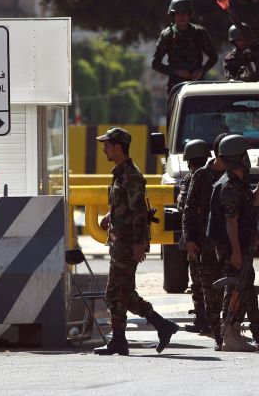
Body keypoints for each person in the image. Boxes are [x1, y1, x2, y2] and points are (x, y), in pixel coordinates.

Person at [93, 127, 179, 356]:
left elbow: (139, 212)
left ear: (118, 147)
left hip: (127, 244)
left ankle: (120, 341)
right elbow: (124, 206)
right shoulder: (121, 174)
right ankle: (162, 326)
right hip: (120, 241)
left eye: (107, 145)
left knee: (114, 293)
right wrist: (109, 217)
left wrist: (139, 243)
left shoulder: (131, 175)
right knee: (124, 293)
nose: (104, 149)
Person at [207, 134, 259, 351]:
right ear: (237, 158)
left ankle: (234, 333)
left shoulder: (237, 183)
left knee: (243, 287)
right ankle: (229, 334)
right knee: (234, 287)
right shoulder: (229, 186)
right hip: (232, 247)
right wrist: (235, 251)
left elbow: (253, 201)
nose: (248, 160)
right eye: (244, 155)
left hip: (241, 246)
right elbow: (231, 222)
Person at [183, 133, 228, 349]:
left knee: (204, 281)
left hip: (214, 240)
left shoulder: (227, 173)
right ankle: (211, 322)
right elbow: (188, 208)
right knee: (206, 281)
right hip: (204, 240)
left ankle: (215, 321)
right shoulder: (200, 176)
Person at [177, 138, 213, 335]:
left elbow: (182, 206)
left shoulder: (191, 178)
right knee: (211, 277)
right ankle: (211, 316)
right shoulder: (214, 175)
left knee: (198, 279)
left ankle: (202, 319)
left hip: (195, 236)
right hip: (212, 236)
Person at [152, 0, 218, 94]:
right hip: (175, 86)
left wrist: (201, 70)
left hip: (197, 83)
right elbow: (155, 64)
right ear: (173, 15)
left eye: (184, 14)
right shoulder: (167, 35)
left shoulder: (199, 32)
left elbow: (213, 57)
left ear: (189, 15)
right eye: (178, 14)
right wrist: (176, 71)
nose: (181, 17)